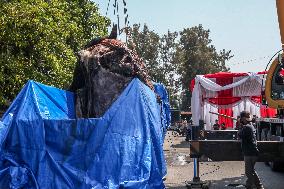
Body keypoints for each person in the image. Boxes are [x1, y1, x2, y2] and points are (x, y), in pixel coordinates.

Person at [238, 111, 264, 189]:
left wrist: (240, 127)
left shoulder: (246, 127)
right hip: (252, 152)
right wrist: (242, 126)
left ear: (243, 119)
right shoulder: (251, 126)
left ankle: (251, 186)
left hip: (249, 153)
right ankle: (258, 186)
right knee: (251, 171)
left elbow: (239, 135)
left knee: (248, 172)